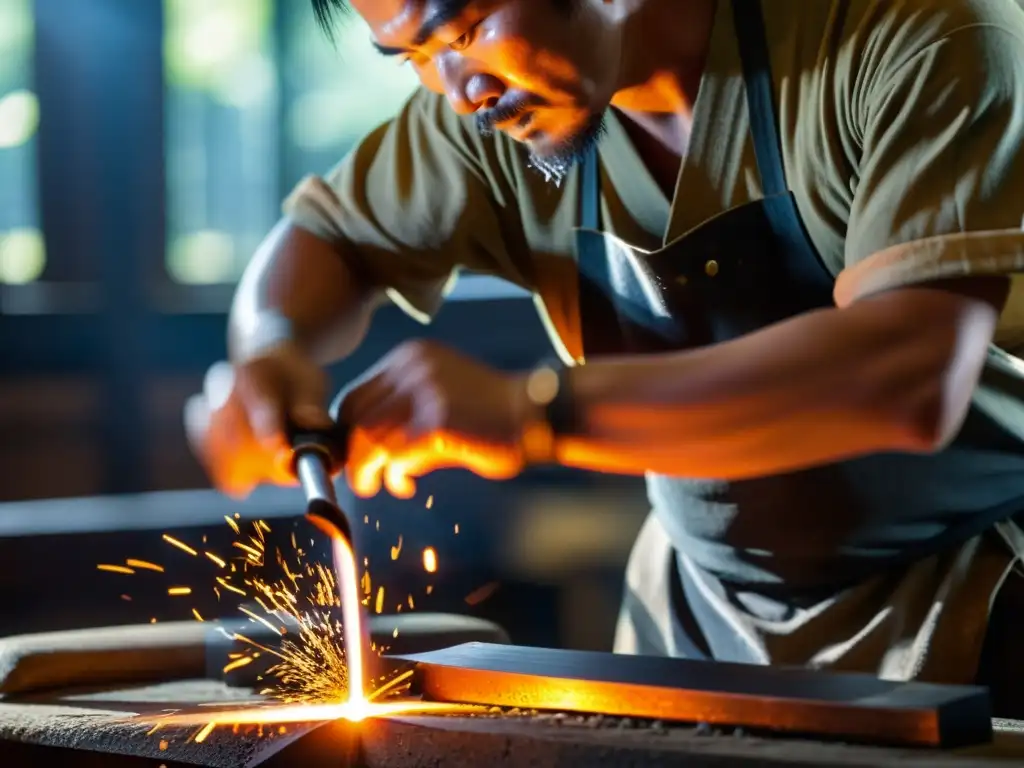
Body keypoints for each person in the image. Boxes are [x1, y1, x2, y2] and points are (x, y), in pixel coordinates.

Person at [185, 0, 1024, 714]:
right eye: (414, 56)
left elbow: (908, 374)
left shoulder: (917, 37)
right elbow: (326, 239)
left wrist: (531, 416)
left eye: (465, 28)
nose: (458, 90)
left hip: (975, 599)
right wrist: (267, 349)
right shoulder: (498, 121)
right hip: (698, 623)